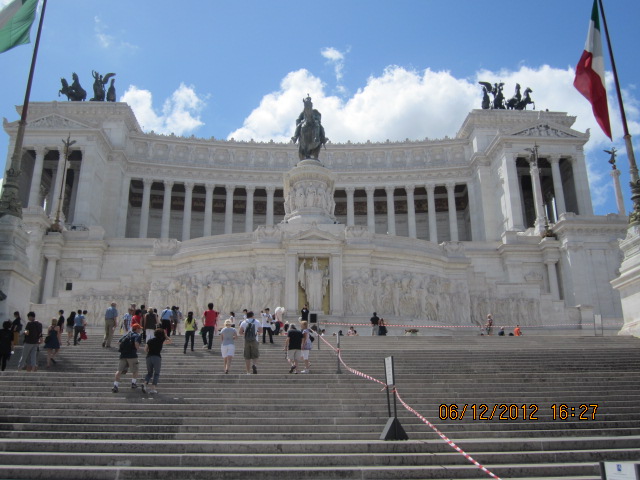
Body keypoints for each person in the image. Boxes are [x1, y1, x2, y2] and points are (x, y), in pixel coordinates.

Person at [112, 323, 142, 393]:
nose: (140, 330)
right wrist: (139, 348)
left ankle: (115, 385)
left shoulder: (127, 335)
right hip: (132, 355)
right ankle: (133, 383)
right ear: (136, 329)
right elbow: (136, 344)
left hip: (123, 355)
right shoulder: (137, 335)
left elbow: (118, 342)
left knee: (119, 370)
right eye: (139, 328)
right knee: (135, 370)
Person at [142, 327, 171, 394]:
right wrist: (165, 335)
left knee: (149, 373)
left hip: (149, 357)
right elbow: (170, 341)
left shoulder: (150, 340)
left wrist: (149, 353)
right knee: (156, 373)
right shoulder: (161, 340)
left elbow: (145, 349)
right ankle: (153, 388)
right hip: (157, 357)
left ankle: (145, 384)